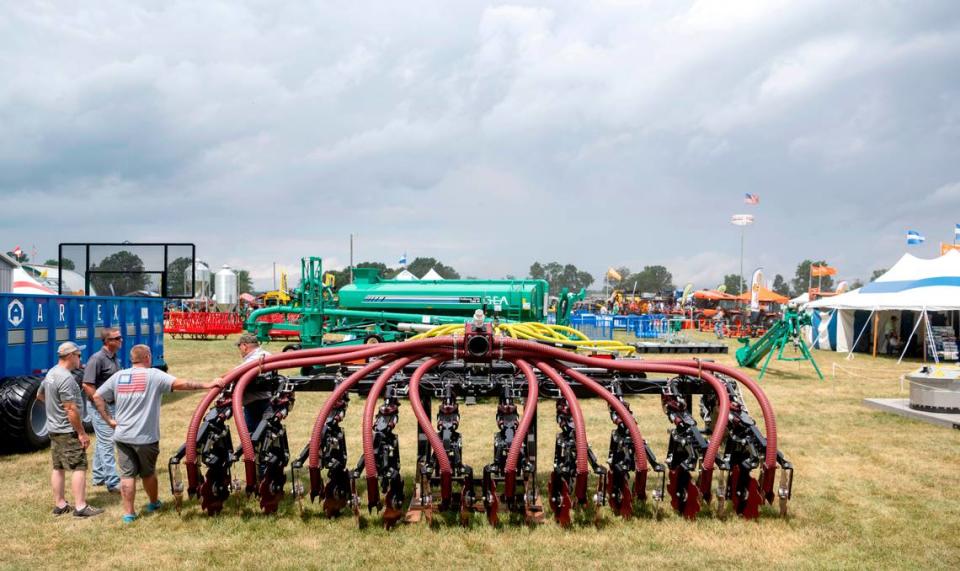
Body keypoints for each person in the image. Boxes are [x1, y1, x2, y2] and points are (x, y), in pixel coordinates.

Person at [93, 344, 224, 523]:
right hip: (145, 437)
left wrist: (108, 420)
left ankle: (129, 513)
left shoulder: (119, 376)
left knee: (126, 476)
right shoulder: (153, 375)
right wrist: (208, 385)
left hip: (122, 436)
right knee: (148, 473)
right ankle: (153, 502)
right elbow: (182, 384)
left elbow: (97, 396)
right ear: (147, 357)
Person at [36, 342, 104, 518]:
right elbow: (70, 409)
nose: (80, 359)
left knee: (58, 467)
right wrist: (81, 433)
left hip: (54, 428)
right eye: (79, 355)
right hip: (67, 430)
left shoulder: (51, 373)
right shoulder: (65, 378)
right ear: (71, 356)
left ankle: (60, 504)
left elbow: (40, 395)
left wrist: (54, 410)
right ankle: (80, 507)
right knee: (79, 466)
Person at [82, 327, 123, 493]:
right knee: (107, 442)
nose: (121, 340)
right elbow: (87, 385)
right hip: (100, 407)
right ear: (107, 341)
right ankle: (113, 482)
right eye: (117, 338)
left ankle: (98, 476)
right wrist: (100, 405)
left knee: (103, 440)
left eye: (120, 337)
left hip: (110, 404)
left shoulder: (114, 357)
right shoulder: (96, 359)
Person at [234, 334, 273, 431]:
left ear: (244, 346)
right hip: (267, 401)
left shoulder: (254, 359)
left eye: (240, 347)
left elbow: (235, 373)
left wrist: (220, 379)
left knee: (252, 437)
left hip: (255, 403)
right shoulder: (267, 355)